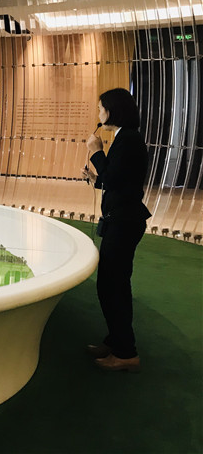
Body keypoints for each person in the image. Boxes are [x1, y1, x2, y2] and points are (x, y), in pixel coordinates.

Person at [83, 88, 151, 373]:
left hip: (124, 223)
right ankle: (115, 341)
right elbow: (120, 179)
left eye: (101, 108)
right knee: (111, 284)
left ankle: (125, 352)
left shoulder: (129, 140)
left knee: (113, 286)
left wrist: (97, 152)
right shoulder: (126, 138)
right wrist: (96, 179)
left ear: (112, 110)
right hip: (120, 220)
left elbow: (114, 176)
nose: (99, 114)